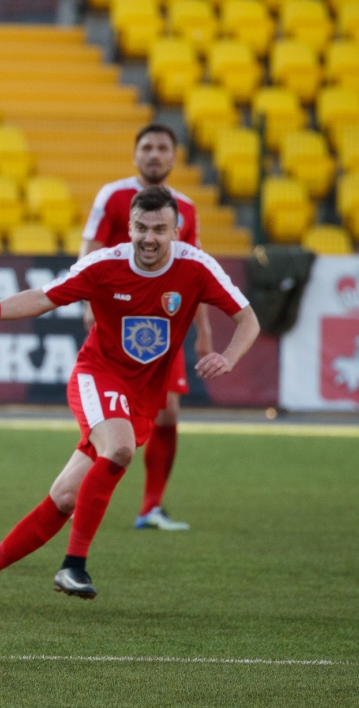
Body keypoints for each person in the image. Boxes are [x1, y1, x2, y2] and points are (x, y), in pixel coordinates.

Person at [0, 186, 259, 609]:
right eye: (141, 227)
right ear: (129, 226)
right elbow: (42, 297)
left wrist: (228, 357)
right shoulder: (104, 264)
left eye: (160, 229)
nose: (149, 238)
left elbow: (248, 319)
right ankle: (73, 564)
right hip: (98, 376)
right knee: (119, 449)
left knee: (63, 497)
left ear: (177, 230)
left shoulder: (197, 266)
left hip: (144, 397)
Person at [82, 123, 214, 531]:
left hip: (164, 326)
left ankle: (150, 507)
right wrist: (89, 302)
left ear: (174, 158)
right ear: (135, 154)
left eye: (162, 148)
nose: (154, 155)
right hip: (119, 321)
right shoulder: (114, 195)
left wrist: (204, 333)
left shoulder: (186, 208)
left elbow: (195, 274)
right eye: (147, 147)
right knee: (114, 413)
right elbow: (90, 248)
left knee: (169, 414)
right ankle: (87, 489)